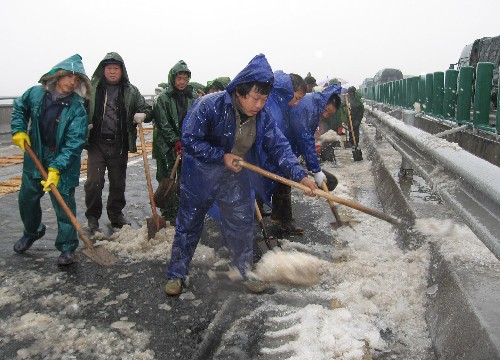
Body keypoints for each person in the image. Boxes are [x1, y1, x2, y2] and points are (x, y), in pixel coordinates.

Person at [164, 54, 318, 296]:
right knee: (189, 225)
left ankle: (244, 271)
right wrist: (220, 155)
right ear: (239, 91)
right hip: (200, 177)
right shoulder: (210, 106)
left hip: (233, 178)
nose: (259, 105)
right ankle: (177, 274)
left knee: (241, 225)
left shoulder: (263, 117)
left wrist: (301, 175)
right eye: (256, 98)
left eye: (264, 100)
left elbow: (279, 147)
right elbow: (190, 140)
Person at [11, 54, 91, 265]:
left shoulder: (77, 109)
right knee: (26, 200)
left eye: (77, 79)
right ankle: (32, 231)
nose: (73, 82)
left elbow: (75, 143)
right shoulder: (36, 94)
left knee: (64, 204)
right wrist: (19, 129)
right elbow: (19, 107)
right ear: (58, 76)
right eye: (69, 76)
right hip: (35, 155)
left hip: (62, 162)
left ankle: (67, 247)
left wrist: (56, 168)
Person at [84, 52, 152, 230]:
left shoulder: (131, 90)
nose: (112, 72)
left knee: (118, 182)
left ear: (122, 71)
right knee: (93, 182)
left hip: (119, 144)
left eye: (116, 68)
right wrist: (84, 124)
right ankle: (92, 216)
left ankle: (115, 214)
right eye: (109, 68)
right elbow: (79, 110)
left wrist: (143, 114)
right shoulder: (92, 89)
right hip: (97, 143)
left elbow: (146, 108)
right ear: (103, 70)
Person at [257, 71, 307, 233]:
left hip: (275, 156)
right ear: (287, 91)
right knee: (256, 191)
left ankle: (281, 219)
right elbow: (273, 141)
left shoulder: (282, 103)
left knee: (282, 185)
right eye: (297, 97)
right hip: (262, 158)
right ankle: (251, 231)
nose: (297, 103)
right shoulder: (272, 107)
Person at [152, 60, 199, 226]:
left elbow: (196, 120)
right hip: (166, 146)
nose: (182, 82)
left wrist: (188, 141)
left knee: (185, 180)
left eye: (185, 78)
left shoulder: (193, 97)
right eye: (179, 78)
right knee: (166, 178)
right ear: (173, 78)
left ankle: (182, 210)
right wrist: (175, 141)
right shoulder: (163, 99)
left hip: (186, 144)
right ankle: (169, 213)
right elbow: (163, 123)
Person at [279, 84, 341, 204]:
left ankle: (280, 217)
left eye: (329, 114)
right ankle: (276, 218)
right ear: (324, 102)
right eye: (326, 110)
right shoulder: (308, 107)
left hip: (285, 144)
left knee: (282, 181)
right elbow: (305, 139)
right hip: (281, 143)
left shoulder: (314, 104)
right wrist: (316, 170)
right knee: (278, 179)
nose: (325, 115)